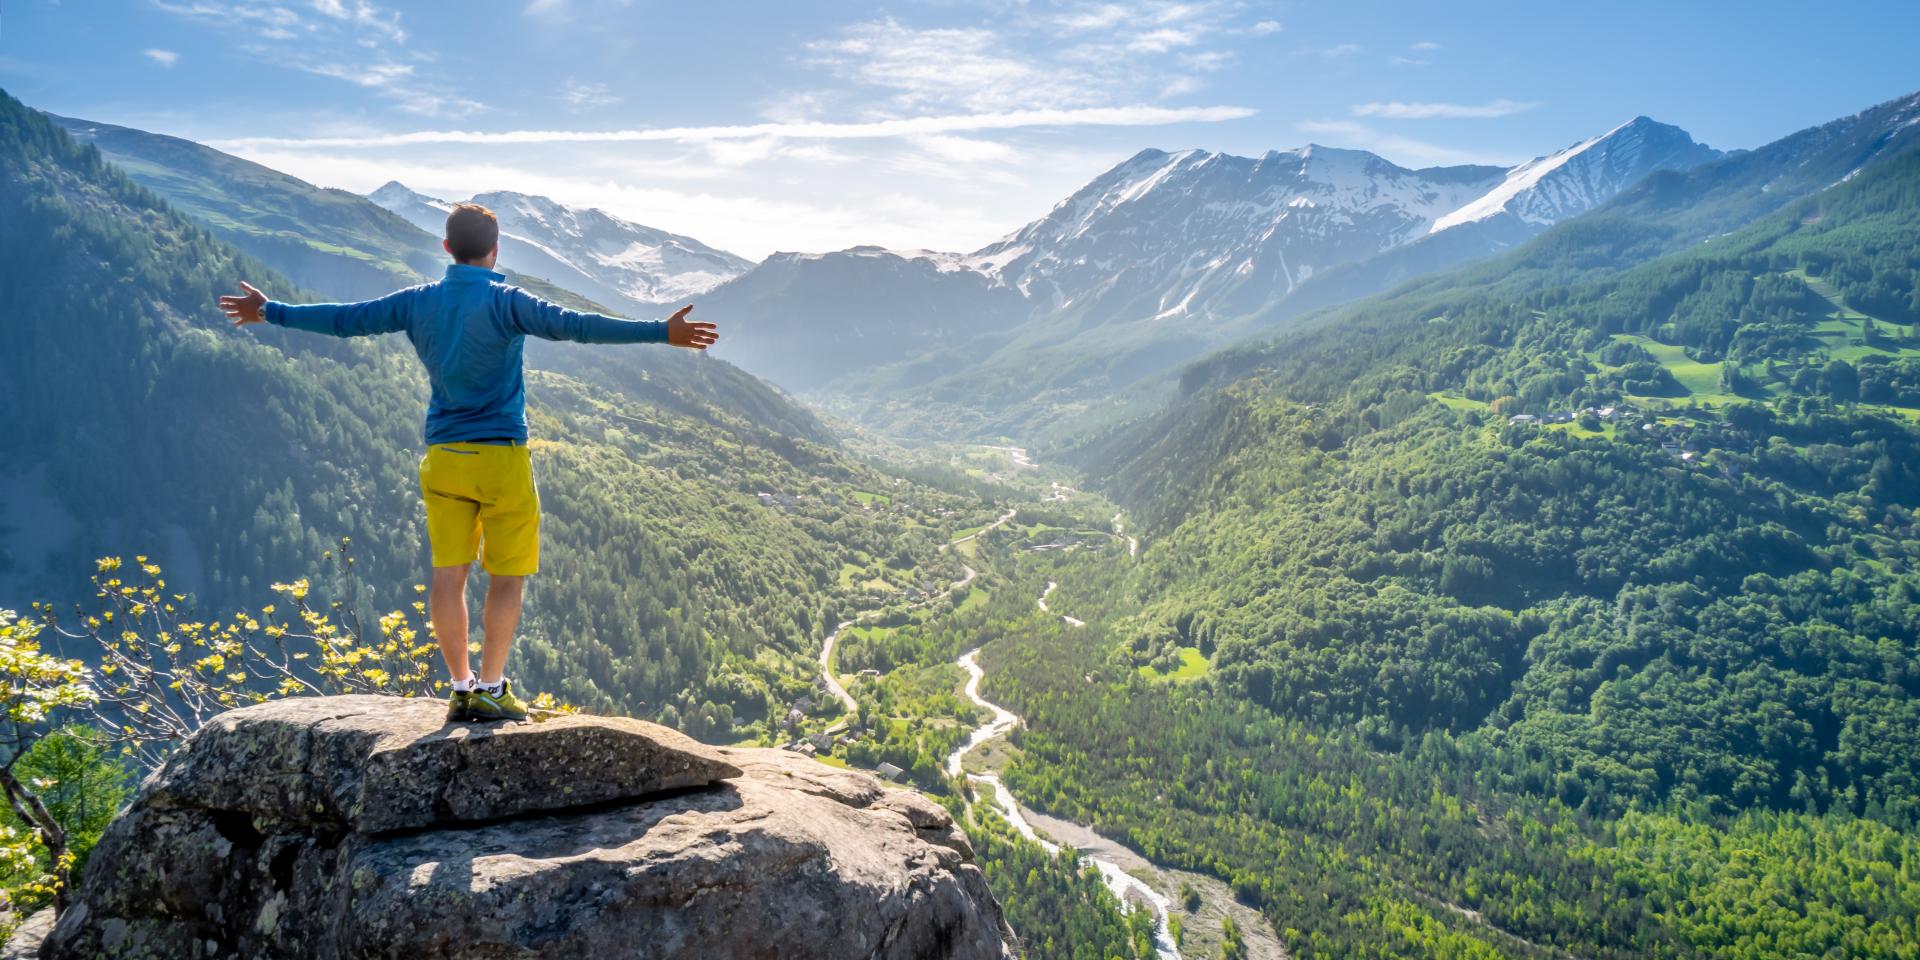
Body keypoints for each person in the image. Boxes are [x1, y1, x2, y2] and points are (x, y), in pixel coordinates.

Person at [219, 202, 718, 722]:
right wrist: (661, 331)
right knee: (506, 576)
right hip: (500, 457)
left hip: (444, 458)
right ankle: (493, 686)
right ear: (495, 249)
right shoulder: (505, 302)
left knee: (447, 575)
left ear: (446, 249)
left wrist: (270, 310)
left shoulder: (417, 302)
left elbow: (345, 320)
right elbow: (579, 327)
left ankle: (459, 686)